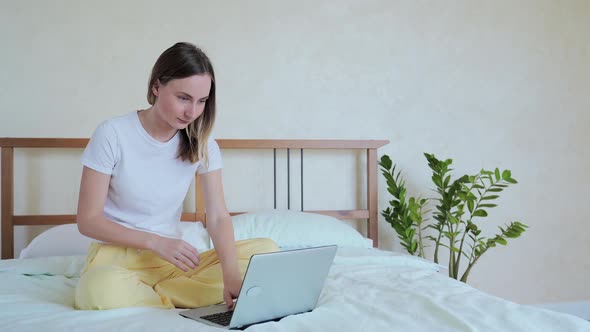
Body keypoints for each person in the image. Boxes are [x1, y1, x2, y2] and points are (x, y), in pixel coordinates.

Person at [74, 42, 278, 310]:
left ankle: (154, 295)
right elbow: (88, 221)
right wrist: (155, 242)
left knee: (267, 250)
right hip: (118, 259)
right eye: (183, 98)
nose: (192, 112)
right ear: (157, 87)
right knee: (98, 290)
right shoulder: (112, 134)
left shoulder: (202, 141)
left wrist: (231, 275)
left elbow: (217, 216)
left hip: (172, 265)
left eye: (201, 101)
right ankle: (176, 297)